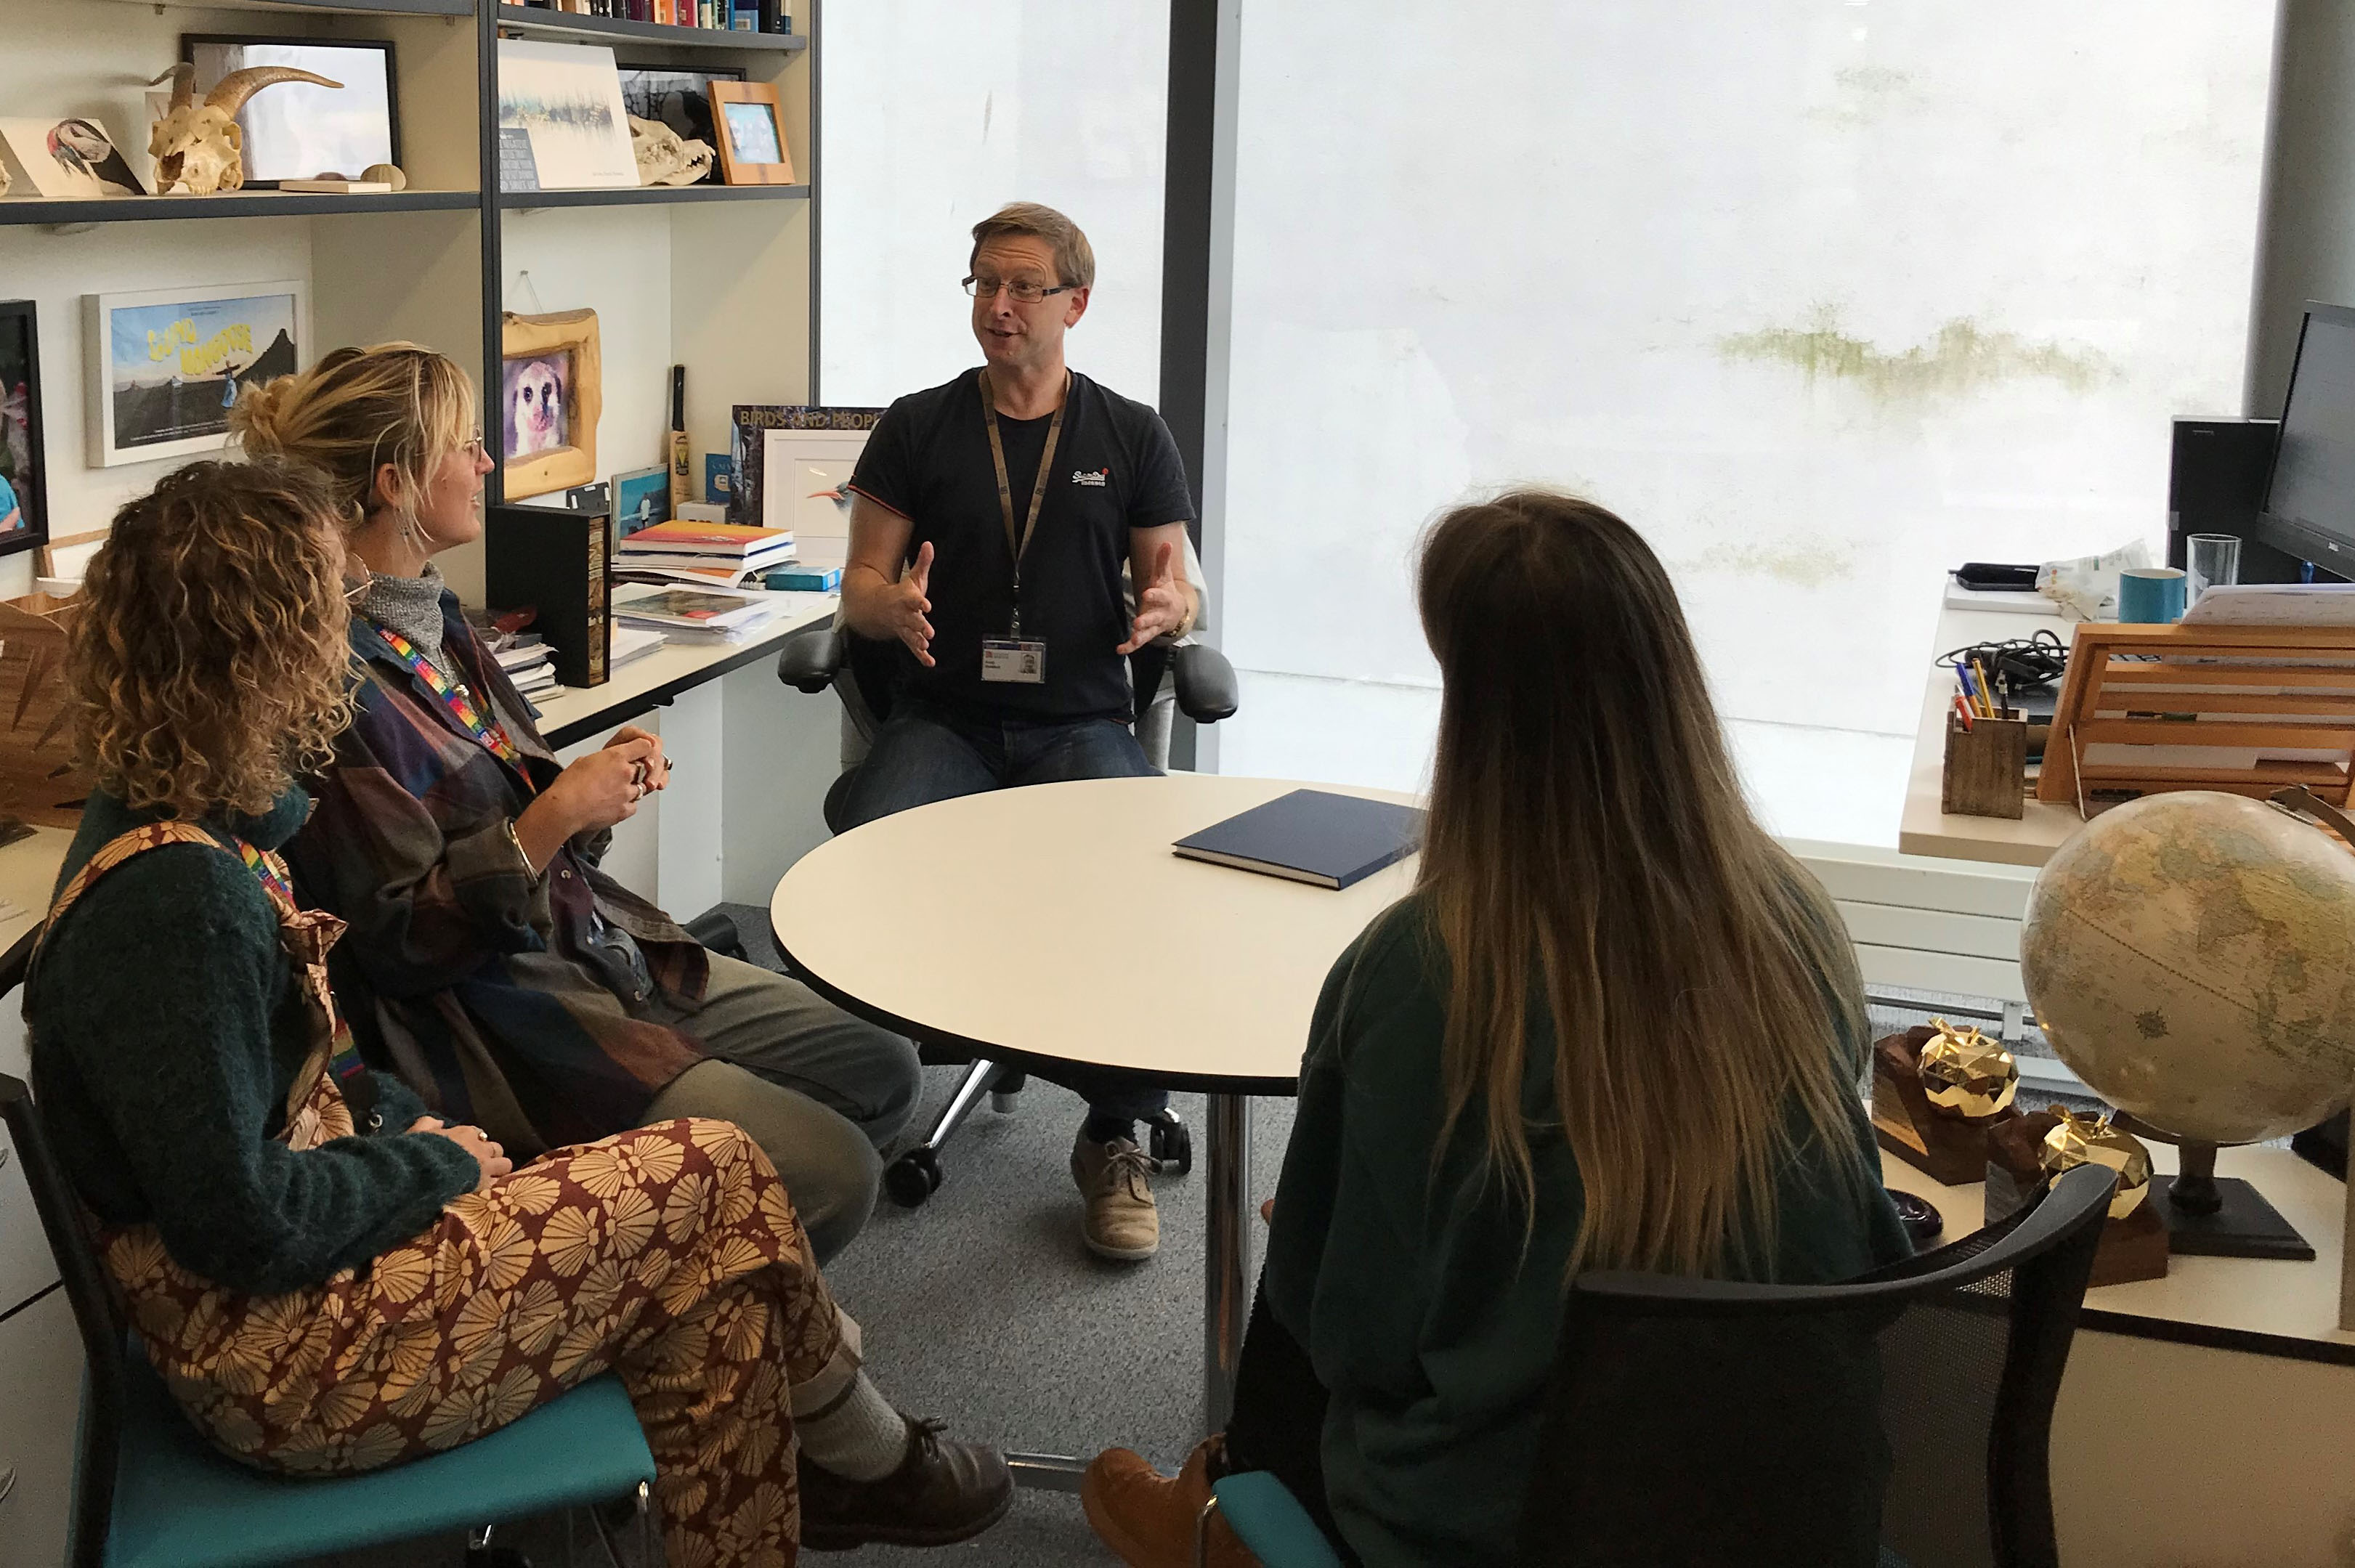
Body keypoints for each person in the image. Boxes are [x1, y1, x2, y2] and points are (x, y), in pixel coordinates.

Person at [25, 460, 1012, 1564]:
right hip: (293, 1364)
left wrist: (403, 1131)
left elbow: (310, 1095)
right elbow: (238, 1218)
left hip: (326, 1272)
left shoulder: (202, 829)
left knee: (717, 1272)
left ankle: (830, 1470)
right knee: (720, 1180)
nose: (339, 645)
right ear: (263, 654)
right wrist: (432, 1163)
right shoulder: (176, 899)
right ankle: (867, 1454)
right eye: (321, 611)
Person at [1079, 491, 1915, 1567]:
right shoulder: (1794, 919)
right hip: (1789, 1520)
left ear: (1476, 716)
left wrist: (1355, 1222)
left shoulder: (1420, 970)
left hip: (1498, 1529)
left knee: (1301, 1269)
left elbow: (1355, 1335)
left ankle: (1217, 1511)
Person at [235, 344, 922, 1264]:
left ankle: (705, 1265)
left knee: (883, 1068)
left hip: (591, 945)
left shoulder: (437, 621)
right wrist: (557, 812)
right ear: (395, 483)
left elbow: (527, 820)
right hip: (505, 1017)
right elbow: (401, 944)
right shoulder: (340, 685)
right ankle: (669, 1298)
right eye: (465, 446)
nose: (487, 464)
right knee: (835, 1171)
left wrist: (588, 797)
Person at [840, 201, 1201, 1262]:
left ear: (1074, 304)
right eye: (983, 284)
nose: (997, 307)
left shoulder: (1130, 433)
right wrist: (886, 609)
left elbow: (1172, 584)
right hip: (948, 716)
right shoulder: (919, 423)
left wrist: (1167, 611)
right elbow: (858, 584)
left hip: (1079, 719)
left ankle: (1113, 1131)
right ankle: (854, 1101)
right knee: (864, 853)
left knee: (1135, 879)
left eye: (1022, 287)